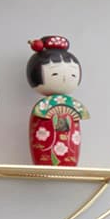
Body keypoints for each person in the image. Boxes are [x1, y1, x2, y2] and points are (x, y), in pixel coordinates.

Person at [25, 35, 88, 167]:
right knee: (45, 138)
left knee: (70, 141)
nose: (65, 78)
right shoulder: (43, 107)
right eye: (54, 74)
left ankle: (68, 160)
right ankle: (45, 159)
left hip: (68, 137)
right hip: (46, 148)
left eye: (72, 75)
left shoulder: (71, 106)